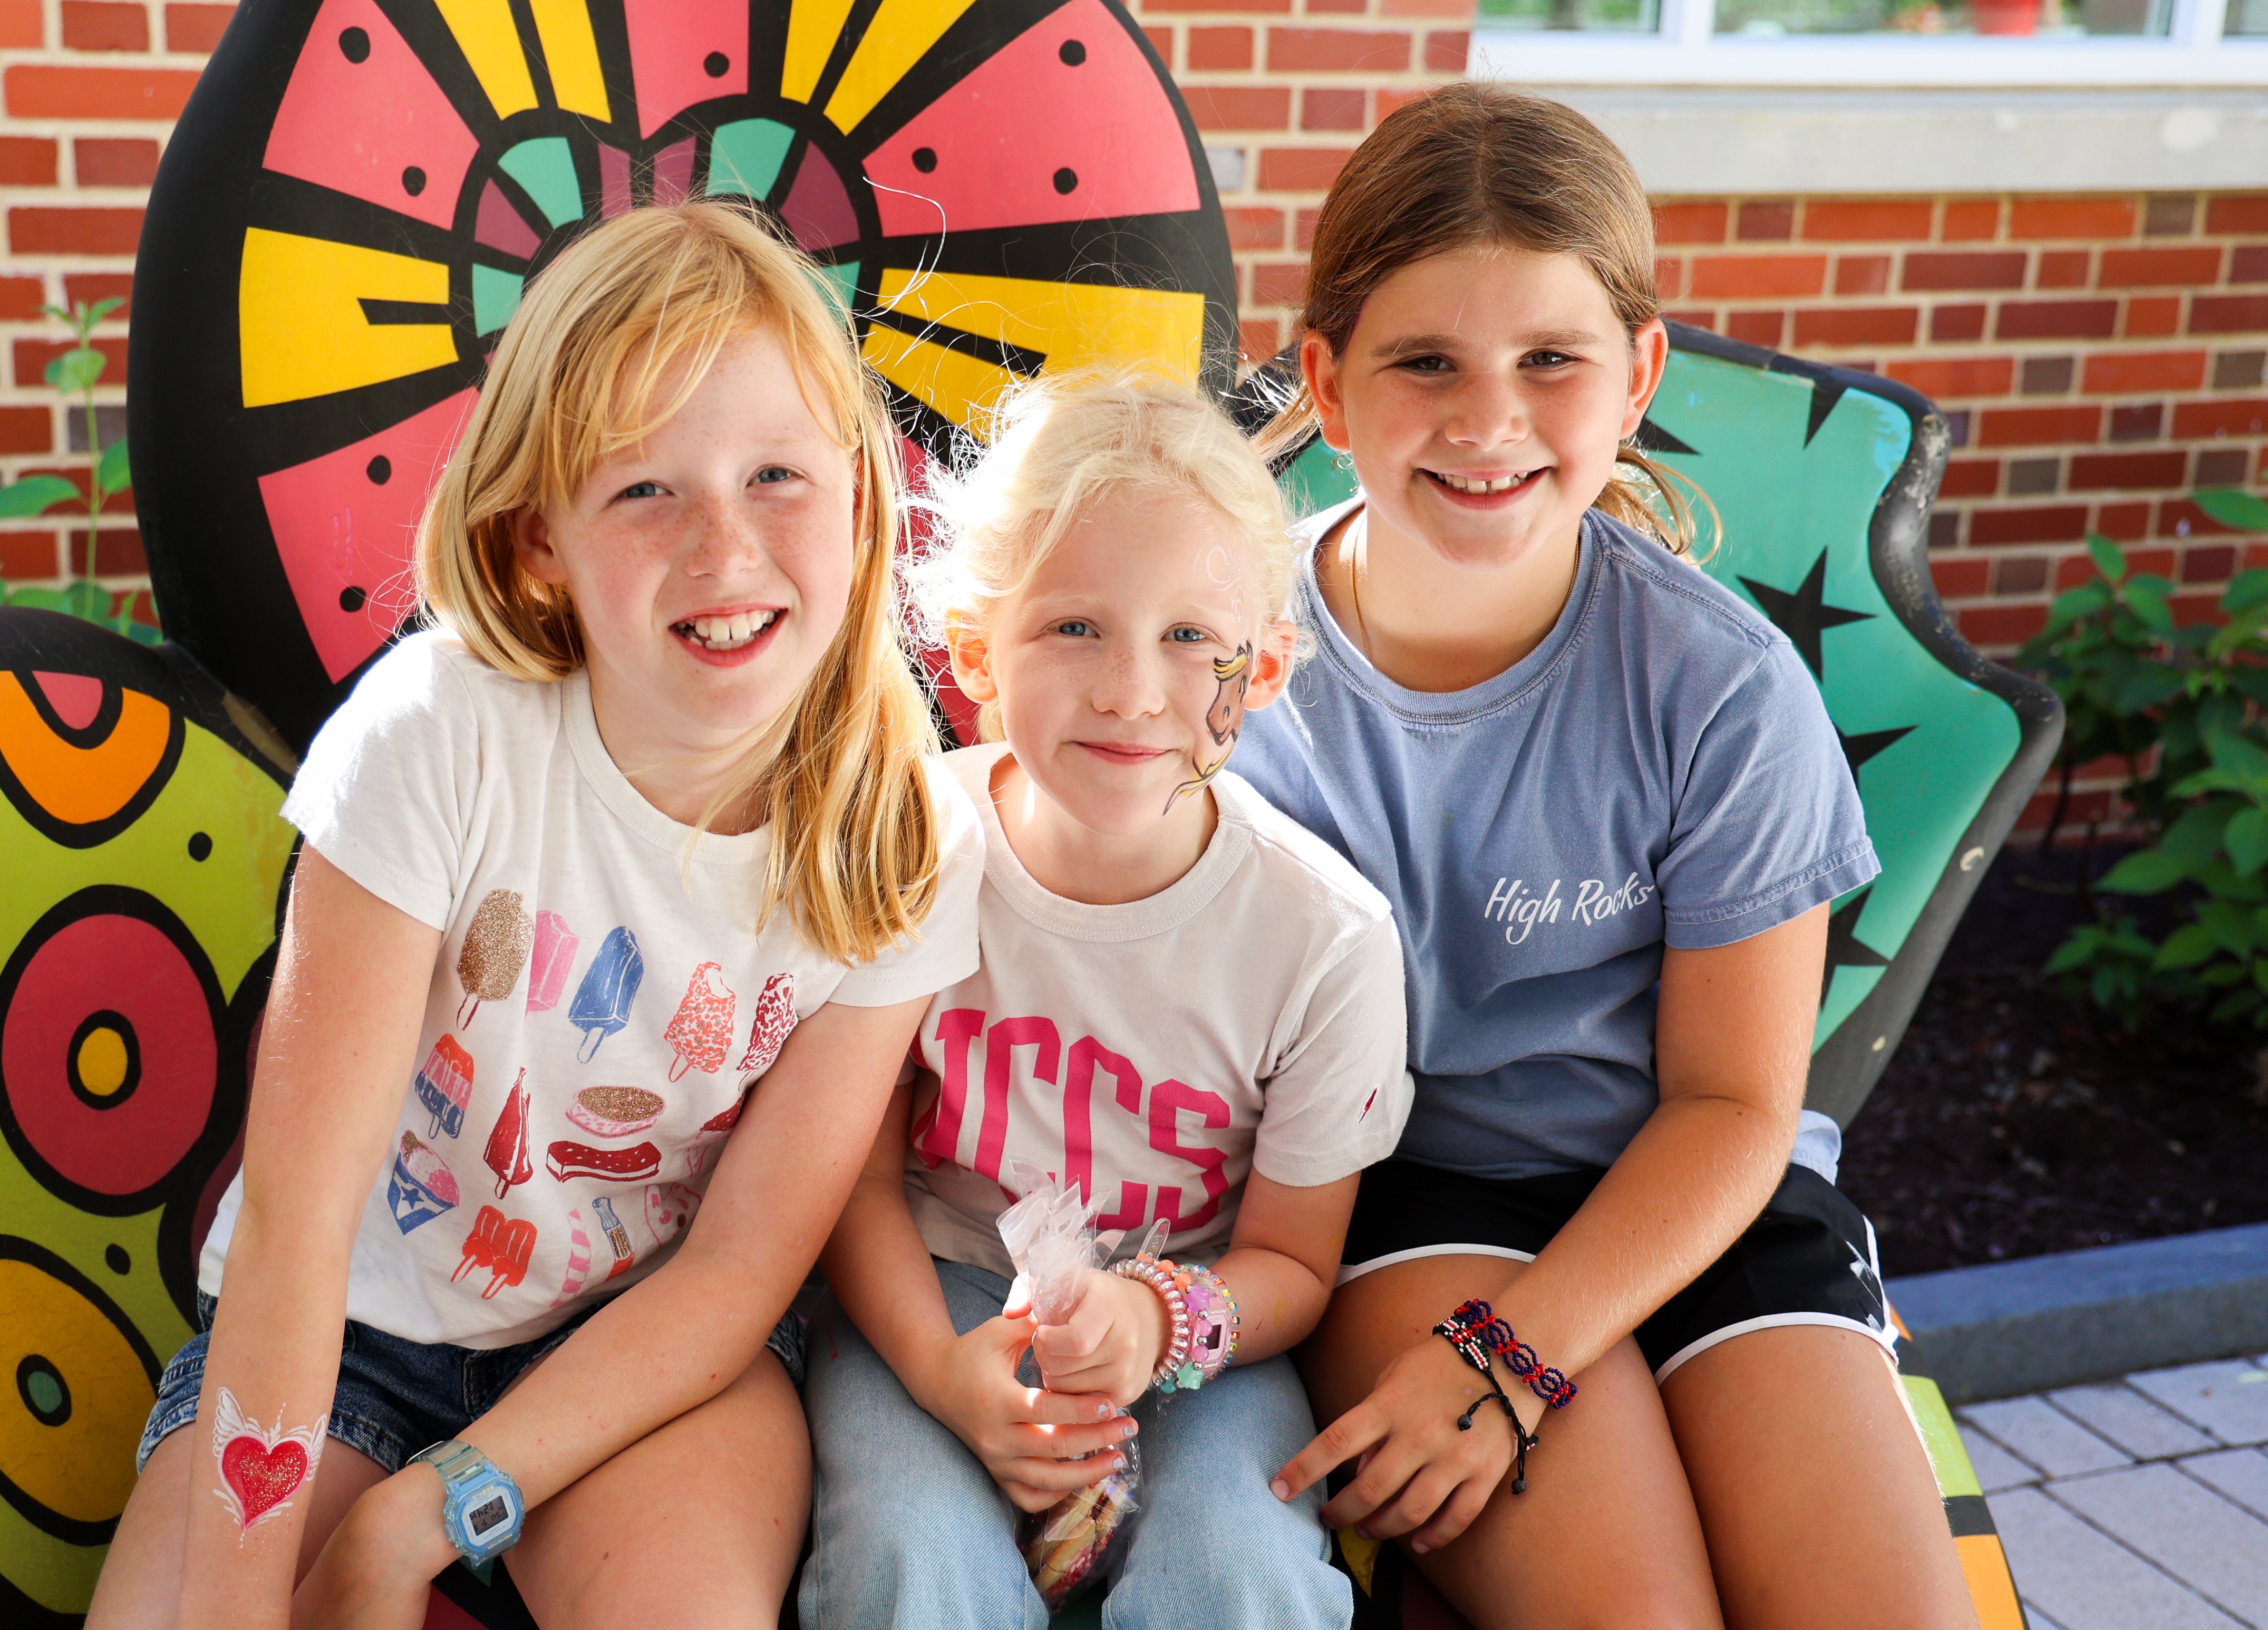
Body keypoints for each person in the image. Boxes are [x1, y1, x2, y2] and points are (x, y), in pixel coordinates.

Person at [86, 202, 984, 1630]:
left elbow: (741, 1266)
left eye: (776, 475)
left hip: (642, 1355)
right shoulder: (437, 737)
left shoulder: (901, 835)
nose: (724, 547)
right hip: (352, 1330)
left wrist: (419, 1519)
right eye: (644, 491)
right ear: (539, 539)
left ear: (866, 494)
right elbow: (296, 1232)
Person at [1244, 85, 1978, 1630]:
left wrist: (1521, 1352)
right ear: (1322, 375)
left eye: (1548, 362)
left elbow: (1734, 1102)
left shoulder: (1716, 684)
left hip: (1699, 1192)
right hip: (1407, 1194)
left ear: (1636, 374)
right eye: (1424, 360)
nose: (1487, 419)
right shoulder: (1228, 659)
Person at [798, 375, 1412, 1630]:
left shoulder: (1323, 939)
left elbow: (1294, 1262)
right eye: (1075, 627)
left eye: (1192, 637)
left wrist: (1157, 1320)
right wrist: (939, 1369)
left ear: (1269, 665)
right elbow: (846, 1179)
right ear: (974, 648)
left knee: (1239, 1576)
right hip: (935, 1285)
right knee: (905, 1561)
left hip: (1198, 1324)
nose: (1135, 690)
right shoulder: (907, 852)